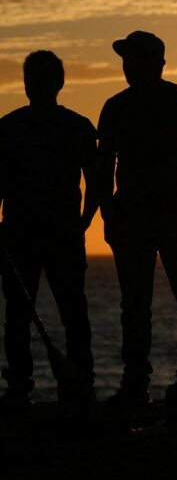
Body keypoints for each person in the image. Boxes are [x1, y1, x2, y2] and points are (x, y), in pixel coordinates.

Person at [98, 31, 177, 409]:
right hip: (138, 220)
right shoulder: (118, 107)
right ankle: (138, 385)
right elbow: (103, 167)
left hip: (170, 220)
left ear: (156, 63)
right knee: (138, 306)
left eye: (135, 59)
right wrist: (109, 213)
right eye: (126, 59)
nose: (128, 66)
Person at [0, 51, 97, 410]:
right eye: (32, 80)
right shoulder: (11, 128)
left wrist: (84, 220)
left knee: (59, 314)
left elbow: (96, 181)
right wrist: (84, 220)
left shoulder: (11, 128)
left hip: (48, 235)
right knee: (30, 316)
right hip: (31, 236)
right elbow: (97, 182)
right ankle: (43, 387)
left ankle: (65, 385)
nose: (35, 86)